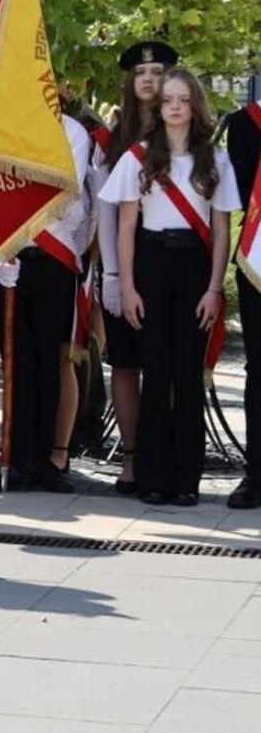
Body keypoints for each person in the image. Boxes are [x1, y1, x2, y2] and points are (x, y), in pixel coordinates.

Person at [102, 67, 237, 508]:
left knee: (187, 375)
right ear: (157, 108)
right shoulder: (138, 156)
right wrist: (128, 287)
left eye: (183, 100)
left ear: (195, 106)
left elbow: (221, 228)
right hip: (151, 262)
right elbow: (124, 227)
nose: (175, 108)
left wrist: (215, 288)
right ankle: (152, 476)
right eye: (168, 101)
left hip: (195, 267)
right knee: (155, 372)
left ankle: (186, 479)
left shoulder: (215, 161)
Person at [0, 110, 95, 494]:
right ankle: (13, 458)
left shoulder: (69, 131)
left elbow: (64, 192)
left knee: (47, 363)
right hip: (8, 257)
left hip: (52, 257)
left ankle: (45, 462)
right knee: (14, 362)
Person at [95, 41, 177, 493]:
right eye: (141, 72)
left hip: (169, 262)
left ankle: (159, 455)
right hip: (124, 261)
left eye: (157, 71)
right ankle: (129, 460)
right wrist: (110, 274)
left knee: (163, 364)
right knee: (125, 363)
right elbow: (106, 211)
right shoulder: (114, 136)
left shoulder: (183, 133)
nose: (148, 78)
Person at [223, 91, 261, 509]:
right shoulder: (245, 123)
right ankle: (257, 473)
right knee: (258, 368)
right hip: (258, 263)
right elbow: (238, 197)